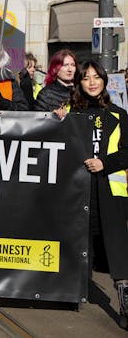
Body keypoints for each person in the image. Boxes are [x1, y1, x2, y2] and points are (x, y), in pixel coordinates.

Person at [65, 61, 128, 325]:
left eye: (96, 77)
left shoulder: (118, 114)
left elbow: (126, 151)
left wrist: (106, 163)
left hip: (110, 190)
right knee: (77, 241)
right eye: (85, 78)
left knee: (117, 247)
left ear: (104, 81)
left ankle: (125, 302)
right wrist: (55, 121)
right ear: (79, 83)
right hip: (77, 189)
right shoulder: (69, 113)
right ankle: (68, 290)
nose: (92, 82)